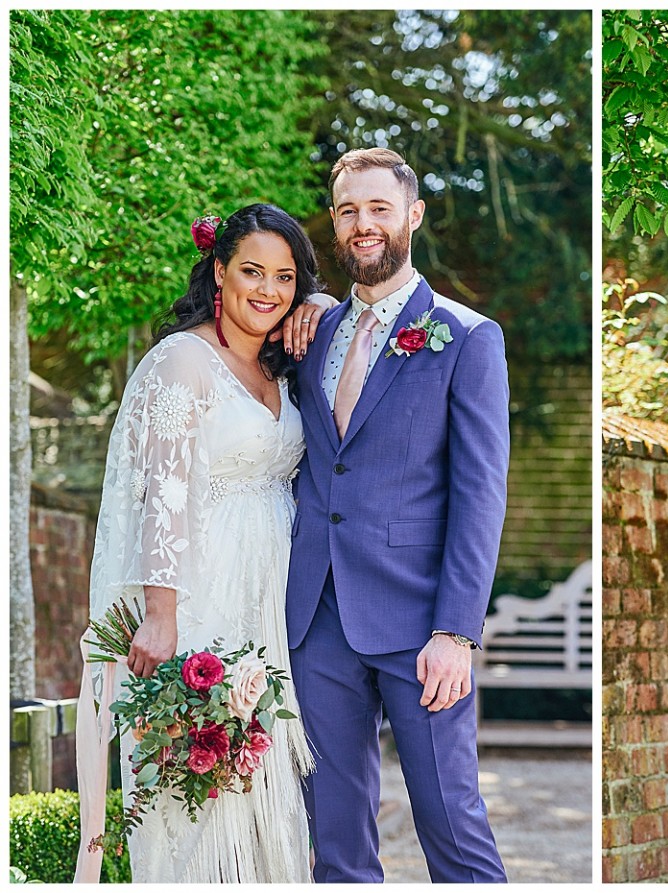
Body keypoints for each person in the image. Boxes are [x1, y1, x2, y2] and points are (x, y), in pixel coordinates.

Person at [282, 147, 511, 883]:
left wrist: (456, 632)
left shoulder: (467, 337)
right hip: (316, 619)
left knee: (453, 828)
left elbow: (481, 496)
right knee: (337, 842)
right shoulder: (310, 333)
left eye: (379, 208)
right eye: (349, 211)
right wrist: (309, 302)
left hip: (420, 626)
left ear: (412, 215)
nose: (363, 224)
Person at [76, 203, 324, 882]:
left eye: (284, 277)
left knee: (264, 786)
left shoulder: (282, 368)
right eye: (251, 271)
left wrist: (324, 301)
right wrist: (161, 613)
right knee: (199, 790)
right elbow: (165, 492)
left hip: (268, 599)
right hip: (199, 594)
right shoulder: (182, 362)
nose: (267, 290)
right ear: (219, 271)